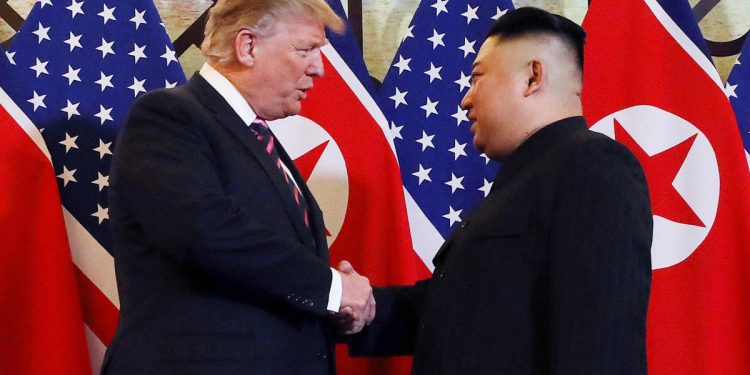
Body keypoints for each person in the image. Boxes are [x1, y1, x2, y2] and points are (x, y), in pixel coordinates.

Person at [345, 7, 653, 374]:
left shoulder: (593, 165)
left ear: (532, 77)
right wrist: (366, 307)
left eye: (477, 78)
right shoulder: (526, 179)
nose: (465, 100)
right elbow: (466, 313)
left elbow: (599, 344)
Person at [102, 1, 374, 373]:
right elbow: (206, 231)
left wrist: (338, 305)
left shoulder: (257, 137)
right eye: (306, 49)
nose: (319, 68)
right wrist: (333, 289)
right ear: (247, 46)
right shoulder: (168, 117)